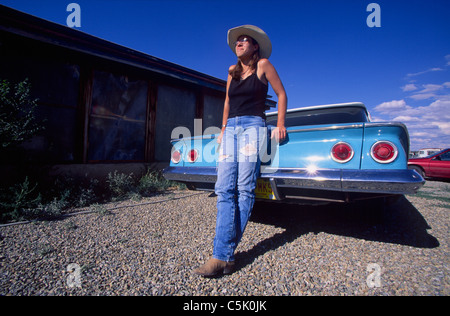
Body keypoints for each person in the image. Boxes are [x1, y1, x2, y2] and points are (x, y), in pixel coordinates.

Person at [194, 25, 287, 277]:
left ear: (255, 47)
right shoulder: (232, 71)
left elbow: (281, 94)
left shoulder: (263, 65)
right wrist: (223, 129)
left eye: (246, 40)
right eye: (238, 40)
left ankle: (221, 256)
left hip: (253, 127)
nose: (240, 42)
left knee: (244, 189)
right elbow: (227, 102)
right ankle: (225, 256)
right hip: (232, 129)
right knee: (223, 188)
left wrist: (279, 124)